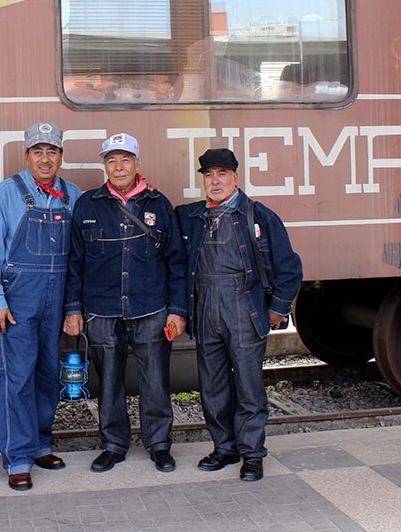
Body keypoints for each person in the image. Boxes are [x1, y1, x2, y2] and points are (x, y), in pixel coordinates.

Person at [176, 148, 303, 482]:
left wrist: (277, 307)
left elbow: (289, 268)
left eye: (221, 174)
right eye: (208, 175)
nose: (214, 181)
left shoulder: (259, 216)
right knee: (212, 386)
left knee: (248, 386)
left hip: (244, 308)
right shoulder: (191, 217)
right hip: (206, 307)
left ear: (235, 177)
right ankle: (224, 448)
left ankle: (252, 454)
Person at [63, 133, 187, 473]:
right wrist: (73, 310)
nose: (119, 167)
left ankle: (159, 444)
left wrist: (177, 311)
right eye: (112, 160)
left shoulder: (159, 204)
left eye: (125, 159)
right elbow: (75, 263)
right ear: (105, 165)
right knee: (111, 381)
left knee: (156, 380)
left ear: (137, 164)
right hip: (101, 310)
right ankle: (114, 445)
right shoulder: (87, 204)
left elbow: (176, 263)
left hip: (151, 308)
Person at [0, 121, 82, 491]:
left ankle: (40, 444)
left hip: (56, 301)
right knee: (16, 378)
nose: (45, 158)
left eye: (51, 151)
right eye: (38, 151)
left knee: (46, 375)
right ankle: (18, 457)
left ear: (60, 156)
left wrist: (73, 308)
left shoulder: (73, 194)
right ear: (27, 156)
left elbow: (76, 260)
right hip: (18, 300)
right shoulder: (6, 193)